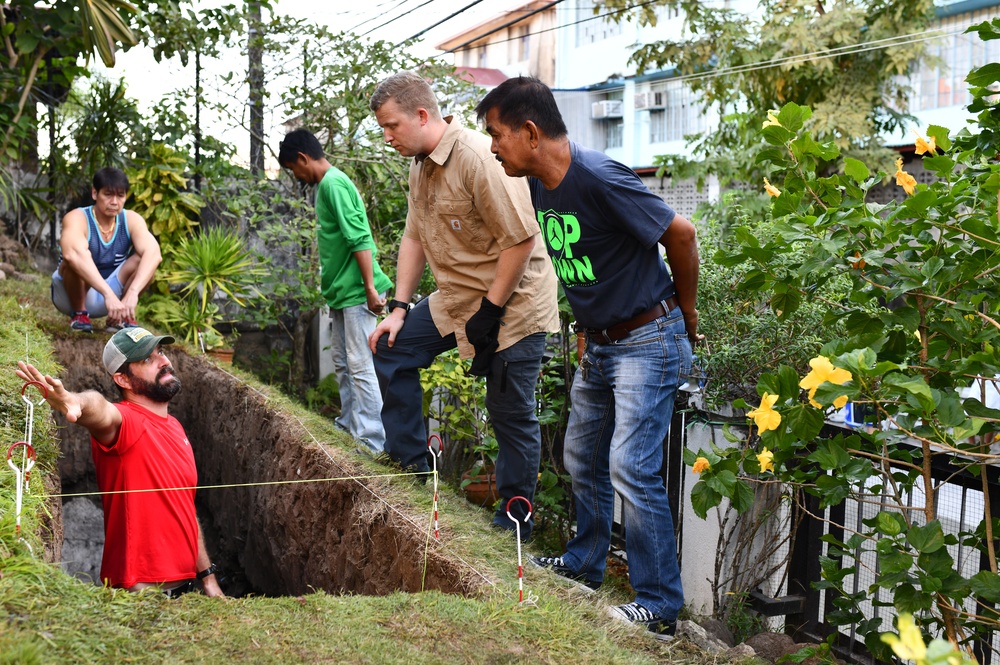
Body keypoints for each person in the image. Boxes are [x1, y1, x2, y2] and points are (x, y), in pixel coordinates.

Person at [475, 76, 702, 639]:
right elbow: (586, 263)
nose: (494, 147)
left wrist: (688, 313)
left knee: (631, 467)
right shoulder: (538, 184)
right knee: (582, 457)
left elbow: (682, 233)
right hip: (600, 343)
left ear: (530, 132)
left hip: (648, 338)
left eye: (497, 135)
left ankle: (658, 604)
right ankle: (585, 564)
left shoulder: (600, 177)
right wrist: (585, 334)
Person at [367, 71, 559, 541]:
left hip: (513, 306)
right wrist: (397, 307)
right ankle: (409, 467)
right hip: (458, 298)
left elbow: (520, 240)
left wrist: (489, 314)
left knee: (508, 412)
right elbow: (413, 237)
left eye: (391, 126)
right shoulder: (419, 164)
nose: (387, 137)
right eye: (382, 129)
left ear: (421, 114)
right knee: (393, 346)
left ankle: (514, 523)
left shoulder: (478, 158)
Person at [16, 328, 224, 597]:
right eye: (147, 360)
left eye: (160, 352)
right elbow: (99, 408)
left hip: (185, 587)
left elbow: (185, 507)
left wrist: (208, 579)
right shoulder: (125, 421)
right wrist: (74, 400)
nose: (164, 361)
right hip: (141, 593)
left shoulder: (175, 427)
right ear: (122, 379)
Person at [278, 128, 393, 454]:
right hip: (343, 293)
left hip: (358, 292)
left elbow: (359, 237)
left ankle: (371, 442)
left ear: (302, 159)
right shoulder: (329, 185)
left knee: (360, 366)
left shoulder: (333, 184)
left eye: (293, 169)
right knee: (343, 363)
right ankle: (349, 426)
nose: (296, 176)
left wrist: (370, 288)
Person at [51, 167, 162, 333]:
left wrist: (133, 293)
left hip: (112, 299)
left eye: (120, 195)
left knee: (144, 261)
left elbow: (154, 254)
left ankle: (121, 317)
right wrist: (108, 294)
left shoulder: (131, 219)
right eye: (108, 194)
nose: (114, 202)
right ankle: (79, 314)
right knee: (73, 259)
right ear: (95, 194)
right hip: (70, 295)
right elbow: (72, 254)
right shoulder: (77, 218)